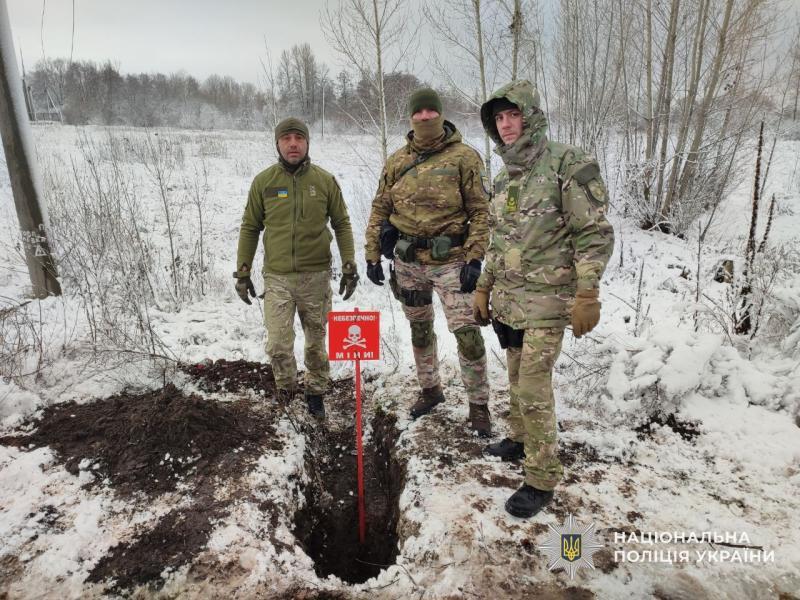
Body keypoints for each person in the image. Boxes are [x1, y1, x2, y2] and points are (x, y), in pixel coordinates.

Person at [473, 80, 614, 518]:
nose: (506, 124)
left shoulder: (567, 163)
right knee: (515, 374)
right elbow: (500, 238)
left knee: (533, 385)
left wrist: (588, 291)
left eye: (513, 115)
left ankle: (542, 476)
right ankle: (519, 439)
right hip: (512, 299)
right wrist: (483, 284)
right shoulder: (504, 177)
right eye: (499, 118)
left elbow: (593, 233)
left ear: (530, 115)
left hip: (551, 300)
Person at [364, 88, 492, 436]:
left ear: (440, 114)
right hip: (408, 262)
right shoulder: (397, 161)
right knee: (419, 329)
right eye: (418, 113)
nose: (424, 118)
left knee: (467, 334)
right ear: (410, 118)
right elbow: (380, 207)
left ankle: (479, 406)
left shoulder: (465, 158)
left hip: (452, 261)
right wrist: (372, 253)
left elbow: (481, 212)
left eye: (430, 112)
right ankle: (430, 390)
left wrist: (475, 257)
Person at [235, 117, 358, 419]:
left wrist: (350, 265)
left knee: (316, 343)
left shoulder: (324, 181)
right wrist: (242, 271)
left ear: (307, 143)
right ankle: (287, 389)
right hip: (277, 278)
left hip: (315, 278)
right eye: (286, 138)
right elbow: (250, 227)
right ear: (277, 143)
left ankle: (316, 392)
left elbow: (341, 224)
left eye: (299, 138)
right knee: (278, 343)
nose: (293, 144)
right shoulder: (264, 183)